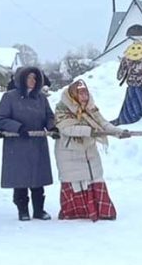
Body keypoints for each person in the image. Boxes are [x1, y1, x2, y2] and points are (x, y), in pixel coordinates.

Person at [53, 80, 129, 221]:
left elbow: (103, 123)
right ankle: (75, 212)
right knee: (76, 181)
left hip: (89, 149)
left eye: (85, 93)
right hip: (69, 151)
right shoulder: (62, 108)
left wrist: (119, 132)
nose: (84, 96)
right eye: (80, 93)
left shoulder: (90, 107)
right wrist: (90, 131)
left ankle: (101, 211)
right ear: (73, 94)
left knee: (94, 178)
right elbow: (66, 128)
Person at [0, 66, 55, 220]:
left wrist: (52, 127)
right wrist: (17, 127)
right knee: (20, 179)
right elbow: (1, 119)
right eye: (29, 78)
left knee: (37, 179)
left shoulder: (41, 98)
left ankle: (39, 210)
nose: (32, 81)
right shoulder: (9, 97)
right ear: (21, 79)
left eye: (35, 78)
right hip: (17, 145)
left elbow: (49, 116)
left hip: (37, 144)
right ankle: (22, 210)